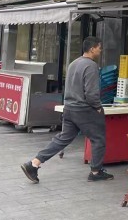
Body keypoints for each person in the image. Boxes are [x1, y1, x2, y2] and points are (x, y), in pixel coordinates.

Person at [21, 36, 114, 183]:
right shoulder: (91, 66)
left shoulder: (73, 64)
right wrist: (97, 107)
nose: (100, 50)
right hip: (84, 110)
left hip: (69, 108)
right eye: (99, 47)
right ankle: (96, 172)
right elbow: (91, 93)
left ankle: (34, 163)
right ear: (92, 49)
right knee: (98, 139)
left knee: (63, 139)